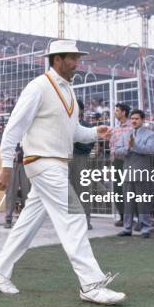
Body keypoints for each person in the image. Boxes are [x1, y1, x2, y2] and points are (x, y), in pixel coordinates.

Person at [0, 40, 126, 305]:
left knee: (28, 223)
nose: (77, 63)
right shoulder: (38, 86)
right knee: (74, 218)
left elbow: (74, 132)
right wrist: (5, 166)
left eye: (77, 58)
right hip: (43, 162)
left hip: (56, 163)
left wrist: (96, 132)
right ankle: (91, 284)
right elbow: (13, 128)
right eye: (72, 58)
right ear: (57, 59)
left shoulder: (69, 93)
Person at [114, 109, 154, 238]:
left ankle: (145, 229)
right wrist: (127, 148)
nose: (134, 121)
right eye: (132, 118)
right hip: (127, 173)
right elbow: (117, 151)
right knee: (128, 202)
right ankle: (127, 228)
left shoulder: (150, 134)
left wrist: (134, 146)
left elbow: (150, 150)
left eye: (136, 119)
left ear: (142, 120)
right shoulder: (125, 134)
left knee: (143, 202)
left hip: (142, 172)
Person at [69, 99, 94, 230]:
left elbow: (88, 146)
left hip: (81, 159)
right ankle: (71, 221)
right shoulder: (66, 124)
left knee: (82, 191)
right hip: (66, 159)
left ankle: (86, 220)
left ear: (82, 111)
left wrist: (75, 139)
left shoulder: (87, 126)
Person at [109, 103, 131, 226]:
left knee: (129, 189)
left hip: (128, 160)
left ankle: (132, 216)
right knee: (117, 189)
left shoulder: (131, 127)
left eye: (117, 110)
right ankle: (123, 216)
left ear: (123, 112)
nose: (115, 112)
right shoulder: (115, 129)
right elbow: (111, 146)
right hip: (116, 161)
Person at [4, 144, 31, 229]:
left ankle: (26, 219)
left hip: (26, 163)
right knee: (11, 192)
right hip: (13, 163)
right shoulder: (10, 131)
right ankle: (8, 219)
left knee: (27, 192)